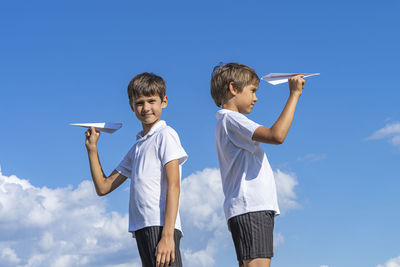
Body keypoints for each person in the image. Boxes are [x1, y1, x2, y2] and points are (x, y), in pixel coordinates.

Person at [85, 72, 188, 267]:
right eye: (140, 102)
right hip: (142, 227)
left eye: (152, 101)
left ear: (163, 102)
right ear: (132, 106)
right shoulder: (137, 147)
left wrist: (167, 236)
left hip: (161, 227)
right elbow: (103, 187)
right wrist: (92, 149)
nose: (146, 108)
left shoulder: (166, 135)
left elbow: (174, 185)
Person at [210, 63, 305, 267]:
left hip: (249, 209)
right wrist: (294, 94)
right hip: (251, 207)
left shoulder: (226, 122)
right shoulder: (233, 119)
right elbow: (276, 135)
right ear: (233, 88)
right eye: (252, 91)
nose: (256, 97)